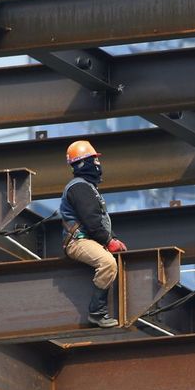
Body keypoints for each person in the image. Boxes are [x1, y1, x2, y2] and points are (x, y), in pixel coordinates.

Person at [60, 140, 127, 328]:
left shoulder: (87, 187)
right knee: (107, 263)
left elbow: (97, 218)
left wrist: (111, 238)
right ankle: (97, 313)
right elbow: (92, 219)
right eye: (93, 160)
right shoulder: (79, 187)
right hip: (78, 241)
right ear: (82, 163)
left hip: (89, 239)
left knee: (115, 261)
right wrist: (108, 240)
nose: (97, 164)